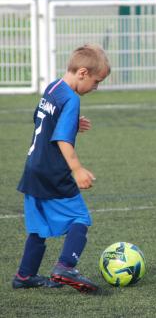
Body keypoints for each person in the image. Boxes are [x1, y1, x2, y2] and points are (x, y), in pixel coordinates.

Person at [12, 44, 110, 292]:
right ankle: (66, 266)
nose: (96, 87)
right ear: (83, 73)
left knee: (38, 227)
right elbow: (62, 140)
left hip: (33, 167)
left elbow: (41, 117)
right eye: (97, 82)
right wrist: (77, 169)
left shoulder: (53, 87)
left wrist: (71, 123)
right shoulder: (72, 98)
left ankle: (25, 276)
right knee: (80, 219)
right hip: (54, 170)